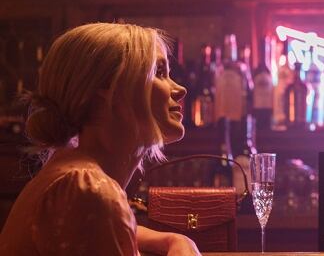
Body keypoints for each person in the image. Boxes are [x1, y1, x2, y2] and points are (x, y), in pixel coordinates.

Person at [0, 23, 200, 255]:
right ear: (107, 88)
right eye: (159, 73)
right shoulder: (88, 189)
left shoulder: (71, 171)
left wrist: (173, 240)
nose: (180, 89)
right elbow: (98, 207)